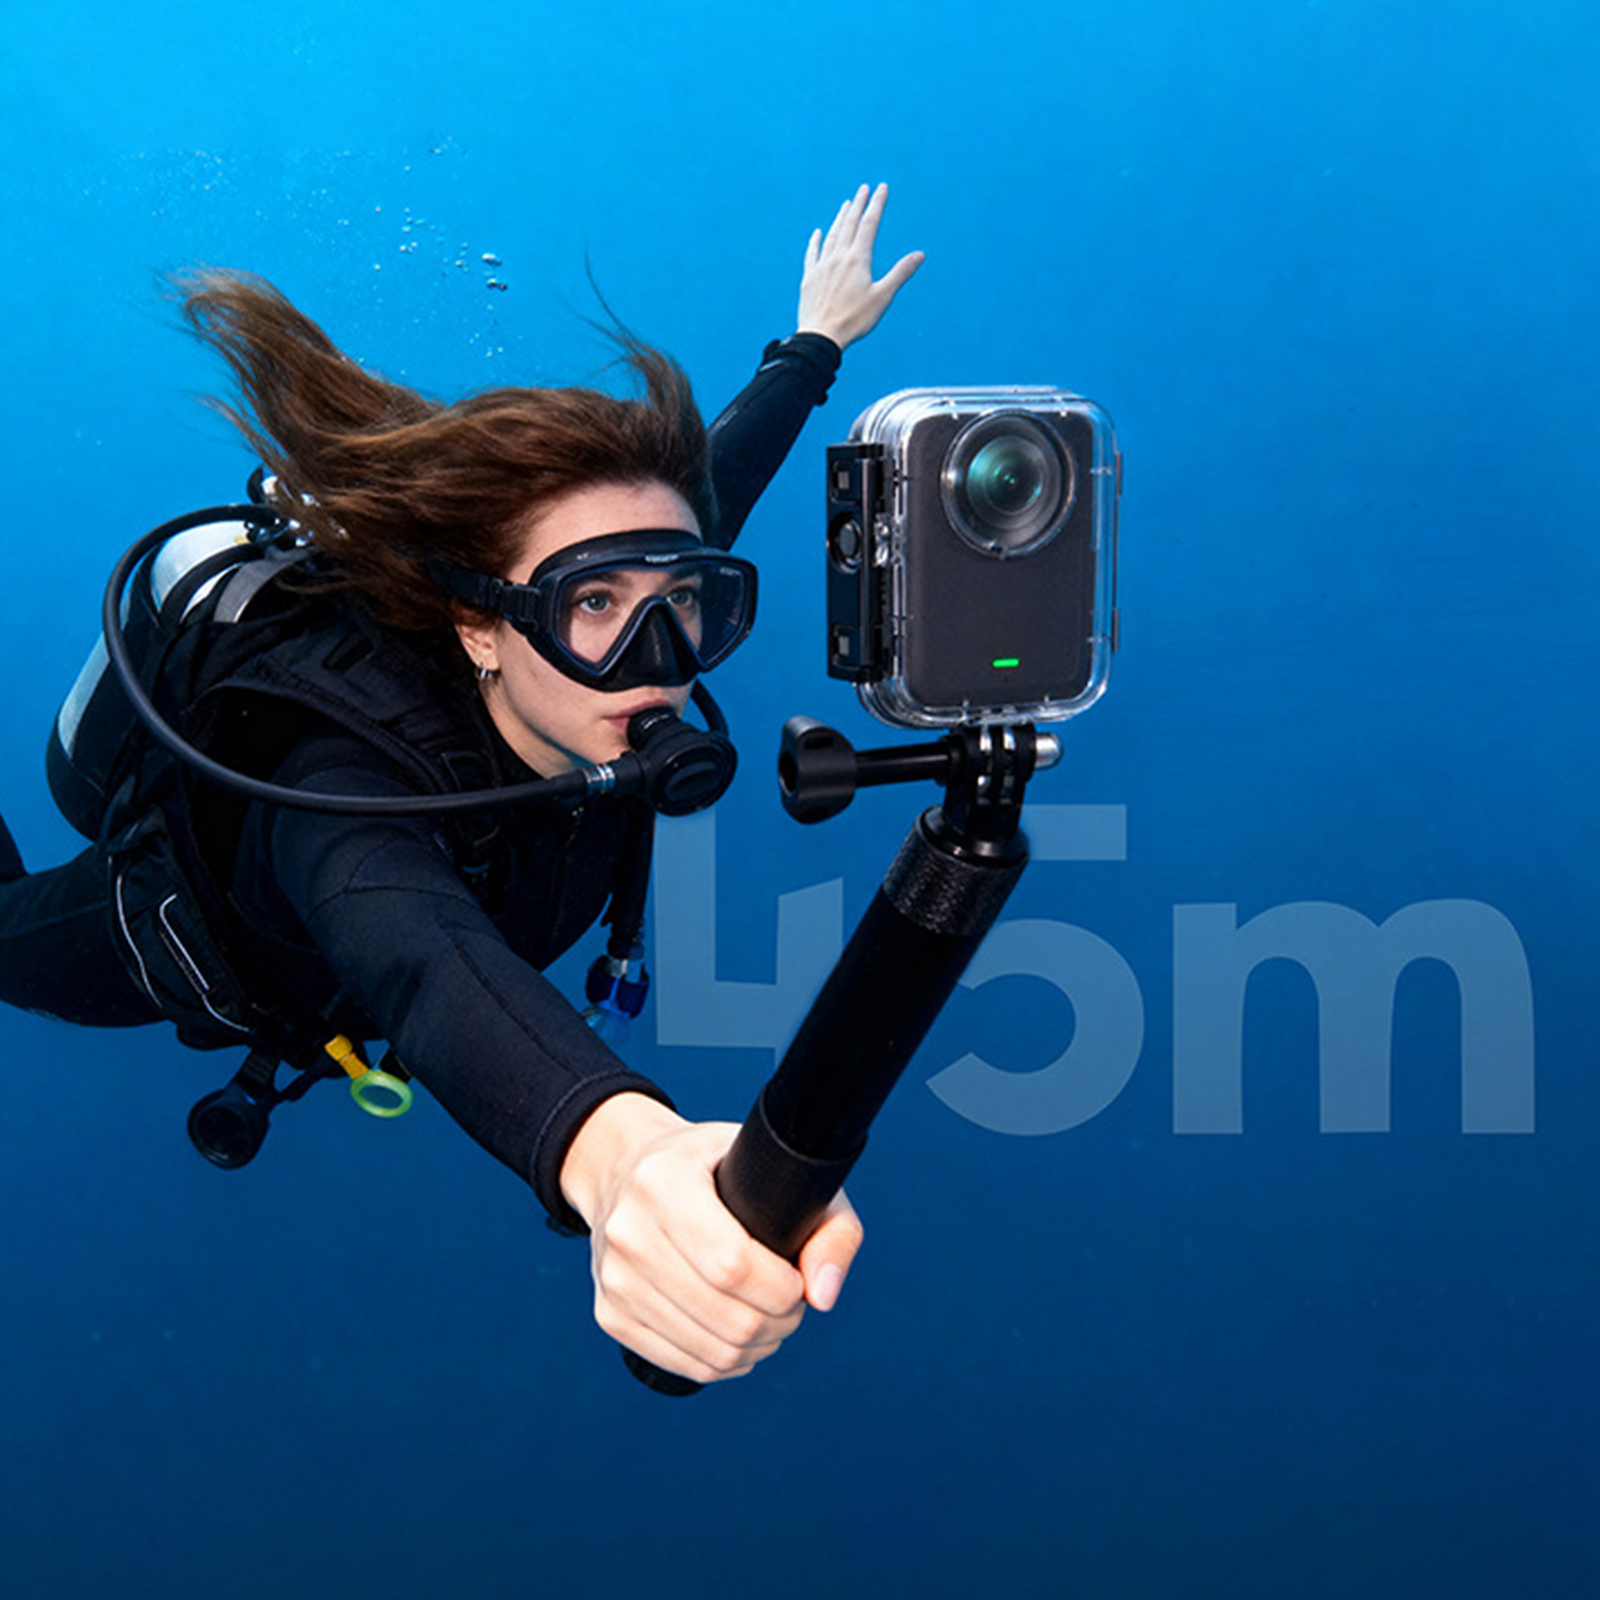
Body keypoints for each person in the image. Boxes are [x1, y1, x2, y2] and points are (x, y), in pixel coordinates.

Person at [0, 183, 923, 1385]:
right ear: (480, 625)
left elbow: (723, 476)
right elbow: (423, 962)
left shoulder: (594, 666)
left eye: (688, 600)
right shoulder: (342, 787)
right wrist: (626, 1161)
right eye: (595, 601)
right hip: (161, 937)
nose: (658, 661)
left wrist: (814, 343)